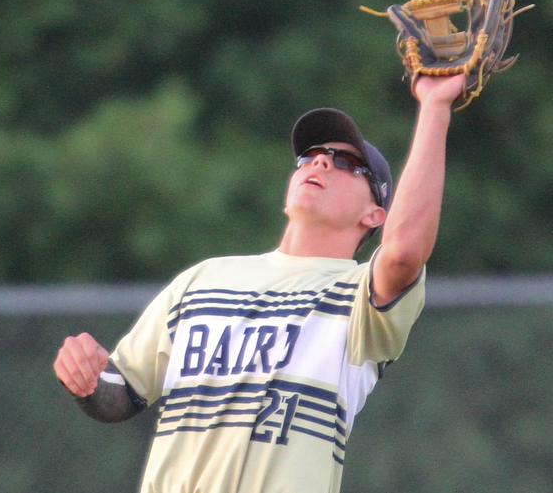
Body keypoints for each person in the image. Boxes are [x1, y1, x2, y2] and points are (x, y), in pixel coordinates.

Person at [54, 73, 465, 493]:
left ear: (375, 215)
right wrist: (86, 382)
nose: (321, 161)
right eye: (310, 157)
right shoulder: (202, 280)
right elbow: (122, 393)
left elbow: (403, 253)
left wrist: (434, 107)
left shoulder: (357, 297)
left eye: (346, 163)